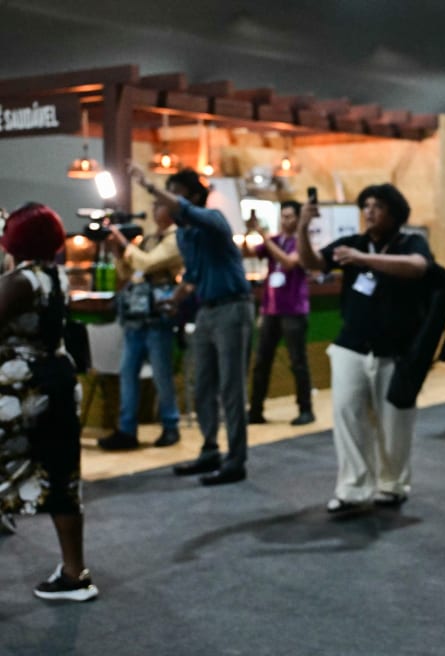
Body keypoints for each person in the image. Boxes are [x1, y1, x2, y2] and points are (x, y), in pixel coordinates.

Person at [297, 183, 431, 514]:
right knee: (348, 415)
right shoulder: (351, 244)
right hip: (351, 346)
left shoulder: (410, 242)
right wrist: (302, 226)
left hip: (396, 350)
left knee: (394, 422)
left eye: (378, 206)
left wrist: (362, 259)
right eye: (366, 205)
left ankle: (392, 484)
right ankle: (353, 489)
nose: (370, 211)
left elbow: (418, 266)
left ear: (395, 213)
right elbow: (312, 263)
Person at [128, 164, 254, 486]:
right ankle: (210, 449)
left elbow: (184, 210)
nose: (166, 203)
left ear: (194, 196)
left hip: (232, 308)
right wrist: (175, 298)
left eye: (175, 193)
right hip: (207, 310)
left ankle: (236, 459)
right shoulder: (184, 234)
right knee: (202, 384)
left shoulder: (213, 221)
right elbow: (194, 277)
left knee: (231, 387)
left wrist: (149, 185)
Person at [0, 203, 99, 601]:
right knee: (62, 477)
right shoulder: (55, 275)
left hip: (21, 392)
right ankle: (75, 574)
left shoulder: (19, 281)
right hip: (58, 384)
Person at [97, 201, 183, 450]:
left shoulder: (175, 239)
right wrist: (116, 251)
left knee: (160, 372)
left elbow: (147, 264)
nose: (156, 209)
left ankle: (170, 425)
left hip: (158, 313)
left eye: (160, 205)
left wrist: (125, 244)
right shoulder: (148, 239)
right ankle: (127, 429)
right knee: (128, 371)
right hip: (136, 313)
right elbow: (128, 273)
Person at [242, 201, 314, 427]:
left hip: (294, 310)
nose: (286, 221)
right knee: (262, 362)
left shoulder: (301, 243)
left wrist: (263, 236)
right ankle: (256, 410)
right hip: (271, 310)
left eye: (290, 216)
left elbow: (289, 262)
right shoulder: (274, 240)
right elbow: (246, 254)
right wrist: (249, 231)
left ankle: (305, 409)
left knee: (298, 362)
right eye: (283, 216)